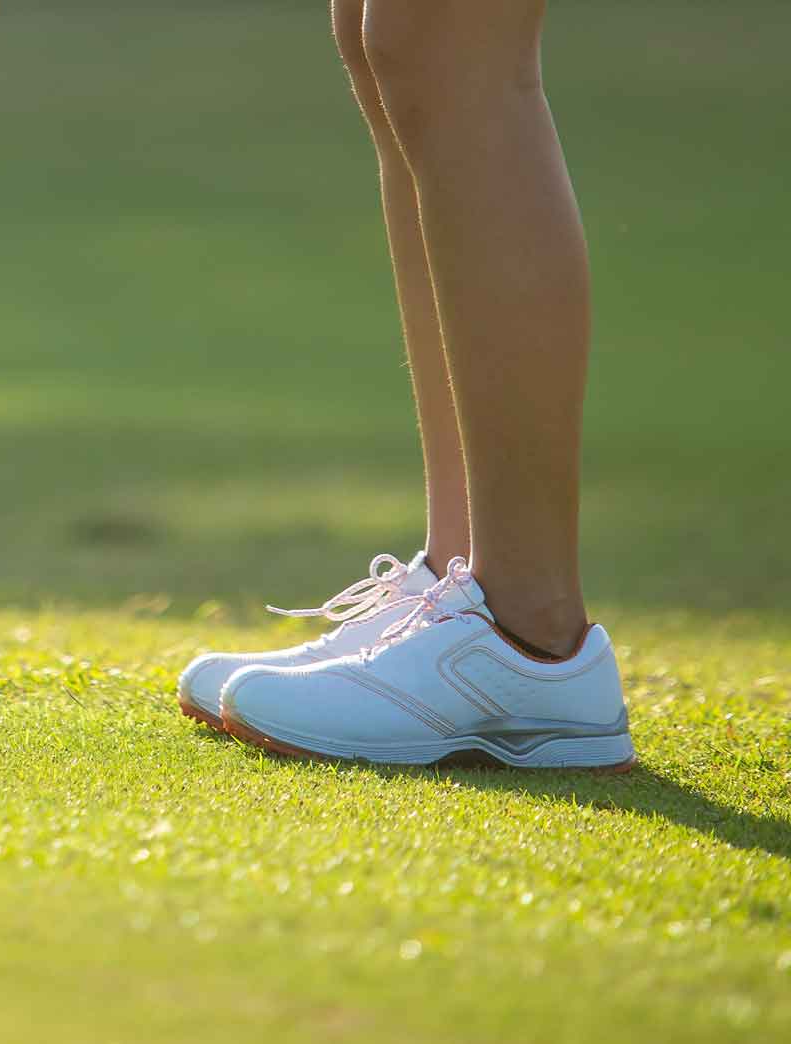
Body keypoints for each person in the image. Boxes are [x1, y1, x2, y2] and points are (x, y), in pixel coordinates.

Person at [176, 0, 634, 770]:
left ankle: (528, 632)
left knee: (446, 40)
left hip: (532, 643)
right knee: (384, 41)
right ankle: (461, 577)